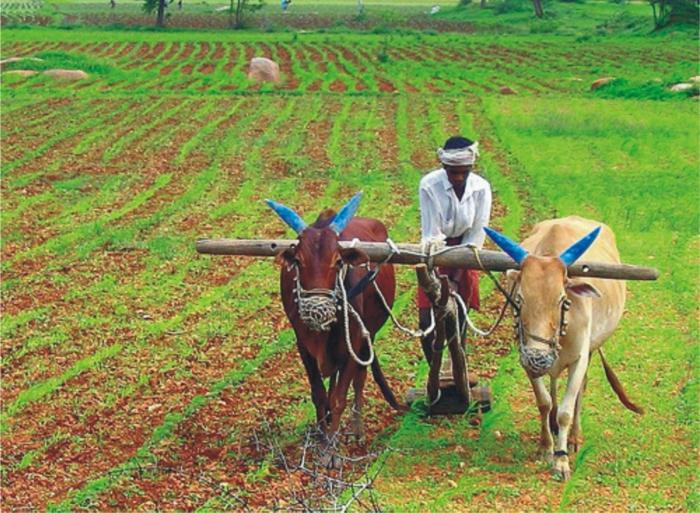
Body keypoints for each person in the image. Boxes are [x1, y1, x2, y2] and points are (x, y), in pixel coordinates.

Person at [416, 135, 492, 363]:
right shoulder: (429, 185)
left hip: (466, 251)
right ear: (444, 166)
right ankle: (434, 371)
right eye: (453, 172)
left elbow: (477, 232)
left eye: (464, 172)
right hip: (434, 252)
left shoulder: (481, 188)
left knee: (458, 315)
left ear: (471, 167)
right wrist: (437, 281)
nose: (458, 177)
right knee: (426, 321)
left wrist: (458, 277)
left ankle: (458, 365)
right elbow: (432, 233)